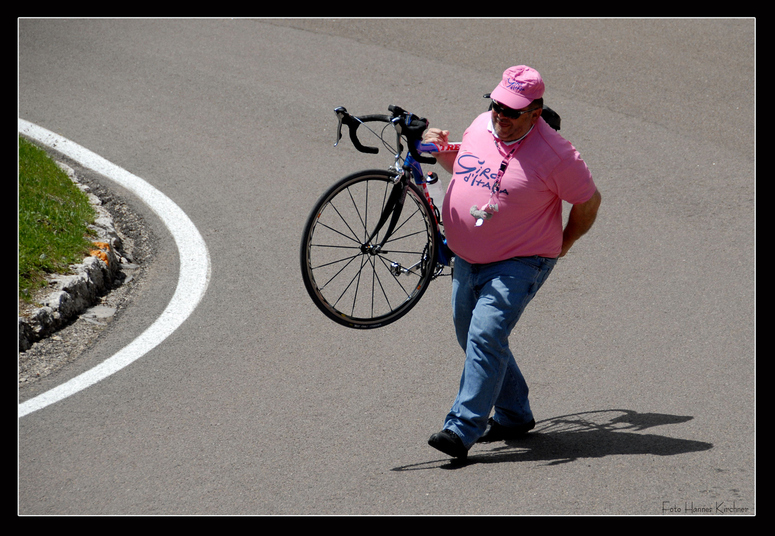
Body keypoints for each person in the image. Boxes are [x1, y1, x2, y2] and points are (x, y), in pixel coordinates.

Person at [424, 65, 602, 460]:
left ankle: (460, 428)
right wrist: (437, 150)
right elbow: (468, 168)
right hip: (468, 257)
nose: (500, 115)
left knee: (484, 336)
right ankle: (514, 414)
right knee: (471, 333)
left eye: (512, 111)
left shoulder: (557, 155)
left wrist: (565, 242)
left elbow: (590, 201)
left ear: (536, 112)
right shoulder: (480, 125)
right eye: (497, 105)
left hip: (521, 260)